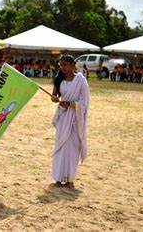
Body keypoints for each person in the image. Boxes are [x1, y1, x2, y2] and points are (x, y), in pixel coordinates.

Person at [50, 55, 89, 189]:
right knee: (61, 146)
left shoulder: (81, 80)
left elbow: (84, 102)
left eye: (65, 65)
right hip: (63, 117)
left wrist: (72, 104)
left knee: (72, 148)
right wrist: (55, 98)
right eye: (60, 65)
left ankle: (70, 179)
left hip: (75, 118)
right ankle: (59, 178)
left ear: (73, 65)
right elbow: (54, 95)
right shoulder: (58, 79)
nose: (63, 68)